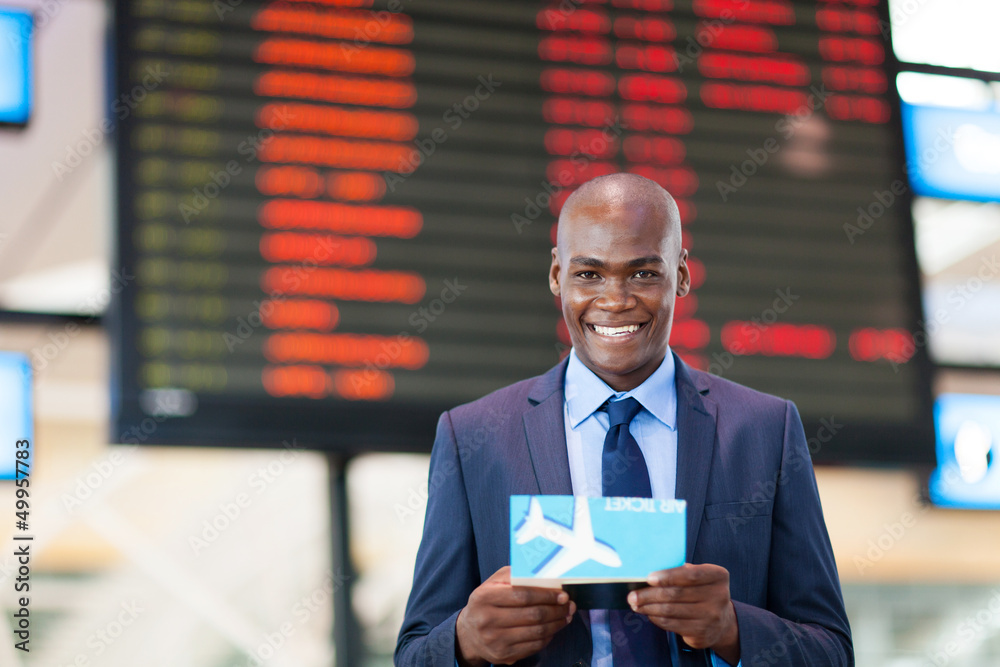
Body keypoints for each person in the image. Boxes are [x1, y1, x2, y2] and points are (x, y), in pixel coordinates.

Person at [395, 173, 852, 667]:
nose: (614, 301)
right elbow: (415, 653)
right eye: (589, 274)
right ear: (556, 275)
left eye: (643, 274)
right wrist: (465, 642)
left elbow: (831, 649)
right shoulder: (473, 438)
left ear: (681, 274)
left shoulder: (766, 430)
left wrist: (733, 629)